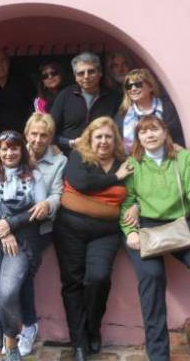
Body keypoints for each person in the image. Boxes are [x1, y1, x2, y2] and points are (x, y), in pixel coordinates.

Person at [120, 115, 190, 360]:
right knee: (152, 277)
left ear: (165, 132)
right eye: (143, 131)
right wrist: (131, 232)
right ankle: (158, 352)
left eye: (154, 129)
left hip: (180, 225)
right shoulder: (133, 164)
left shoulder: (185, 159)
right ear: (138, 138)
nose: (149, 135)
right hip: (145, 227)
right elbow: (125, 201)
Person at [53, 116, 133, 361]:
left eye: (108, 136)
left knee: (98, 278)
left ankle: (92, 328)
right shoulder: (79, 155)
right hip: (70, 229)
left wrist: (135, 205)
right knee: (73, 283)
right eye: (98, 136)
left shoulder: (125, 162)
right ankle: (78, 342)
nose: (103, 141)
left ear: (115, 139)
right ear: (90, 137)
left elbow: (136, 189)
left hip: (106, 232)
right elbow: (81, 182)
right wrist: (115, 178)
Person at [0, 130, 47, 361]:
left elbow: (38, 212)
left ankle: (10, 339)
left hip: (24, 240)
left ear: (22, 150)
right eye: (4, 149)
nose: (9, 153)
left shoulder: (35, 176)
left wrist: (11, 224)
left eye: (14, 148)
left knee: (7, 293)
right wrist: (2, 228)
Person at [17, 112, 67, 356]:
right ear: (27, 133)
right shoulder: (14, 151)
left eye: (44, 135)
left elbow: (58, 194)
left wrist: (49, 204)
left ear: (50, 138)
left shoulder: (59, 161)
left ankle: (29, 324)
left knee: (25, 270)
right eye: (34, 134)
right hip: (12, 223)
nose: (37, 139)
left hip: (40, 226)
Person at [51, 52, 122, 155]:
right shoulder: (65, 95)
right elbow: (50, 129)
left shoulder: (114, 97)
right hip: (69, 155)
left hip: (104, 156)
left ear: (100, 73)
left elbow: (119, 131)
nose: (86, 76)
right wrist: (70, 143)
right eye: (81, 73)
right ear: (75, 76)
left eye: (91, 71)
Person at [114, 68, 185, 154]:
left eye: (138, 84)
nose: (133, 89)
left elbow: (178, 137)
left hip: (167, 159)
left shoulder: (167, 109)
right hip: (136, 162)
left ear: (150, 86)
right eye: (129, 86)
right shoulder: (122, 115)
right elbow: (118, 144)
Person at [0, 49, 35, 133]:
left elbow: (35, 105)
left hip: (22, 133)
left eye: (3, 60)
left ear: (8, 63)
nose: (0, 64)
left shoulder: (23, 82)